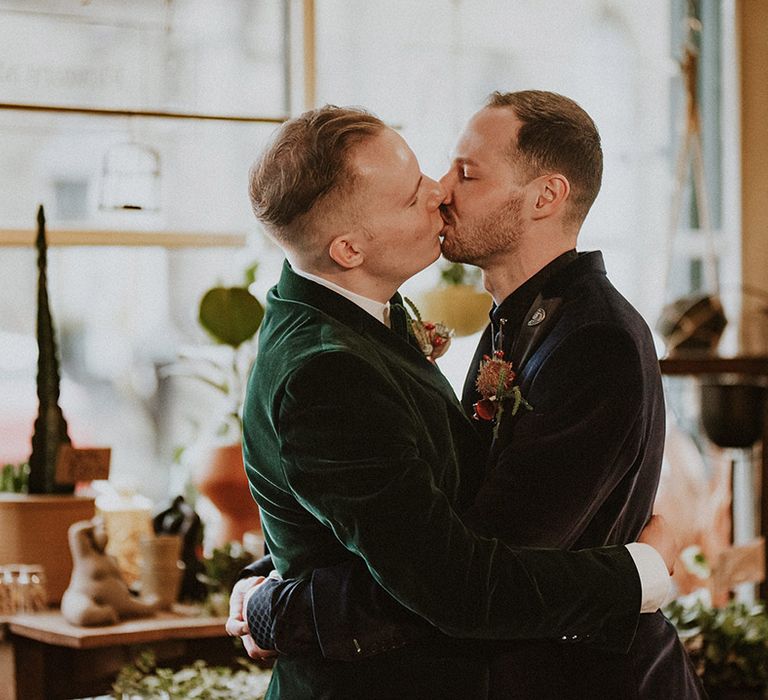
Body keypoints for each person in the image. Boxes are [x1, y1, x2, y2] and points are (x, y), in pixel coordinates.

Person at [228, 103, 678, 700]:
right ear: (348, 251)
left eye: (464, 173)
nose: (439, 190)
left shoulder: (590, 338)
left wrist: (280, 600)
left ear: (545, 197)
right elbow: (445, 571)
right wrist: (642, 571)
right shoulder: (333, 364)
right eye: (416, 189)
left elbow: (456, 559)